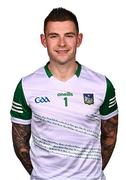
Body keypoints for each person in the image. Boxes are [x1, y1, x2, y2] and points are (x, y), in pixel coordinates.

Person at [10, 7, 118, 180]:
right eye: (54, 36)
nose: (62, 43)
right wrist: (42, 175)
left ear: (79, 39)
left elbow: (109, 136)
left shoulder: (102, 84)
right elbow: (20, 144)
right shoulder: (26, 86)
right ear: (44, 40)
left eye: (69, 35)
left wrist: (89, 173)